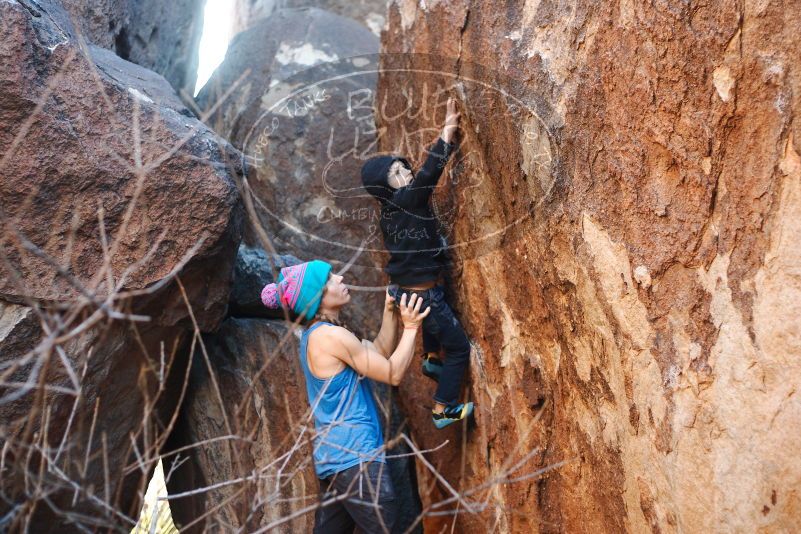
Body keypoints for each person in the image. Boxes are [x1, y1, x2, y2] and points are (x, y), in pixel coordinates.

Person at [261, 259, 430, 533]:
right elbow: (392, 373)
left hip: (338, 462)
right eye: (329, 279)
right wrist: (411, 328)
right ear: (318, 297)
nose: (339, 278)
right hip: (357, 461)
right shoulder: (330, 337)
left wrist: (390, 311)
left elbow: (378, 352)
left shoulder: (320, 335)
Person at [360, 97, 474, 429]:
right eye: (395, 173)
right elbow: (428, 174)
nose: (405, 172)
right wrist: (447, 133)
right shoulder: (407, 200)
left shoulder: (389, 213)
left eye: (403, 166)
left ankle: (431, 358)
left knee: (431, 312)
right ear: (385, 187)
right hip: (424, 295)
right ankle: (443, 408)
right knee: (460, 348)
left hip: (407, 290)